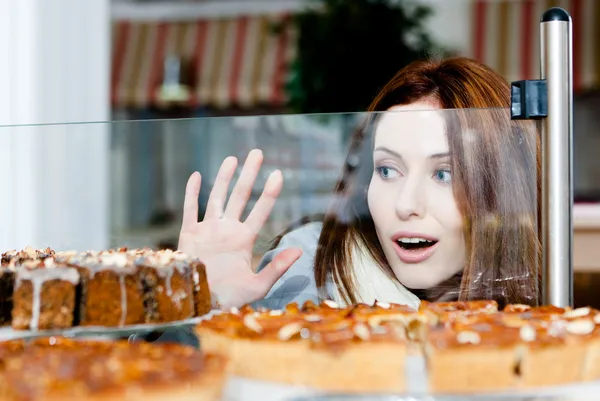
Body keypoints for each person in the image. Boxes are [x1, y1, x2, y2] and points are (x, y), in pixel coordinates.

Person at [177, 57, 541, 315]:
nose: (405, 203)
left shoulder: (522, 307)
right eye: (387, 170)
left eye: (443, 174)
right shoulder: (311, 266)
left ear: (499, 193)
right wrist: (203, 307)